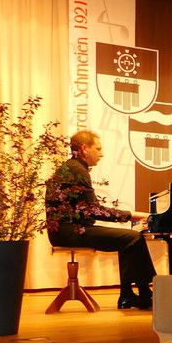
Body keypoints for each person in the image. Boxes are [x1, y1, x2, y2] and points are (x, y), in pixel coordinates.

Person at [46, 130, 155, 310]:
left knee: (127, 240)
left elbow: (88, 209)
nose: (101, 154)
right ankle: (146, 294)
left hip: (66, 230)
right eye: (98, 149)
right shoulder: (77, 170)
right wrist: (132, 214)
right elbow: (95, 210)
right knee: (134, 238)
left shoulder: (71, 167)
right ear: (84, 149)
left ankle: (128, 296)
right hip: (71, 232)